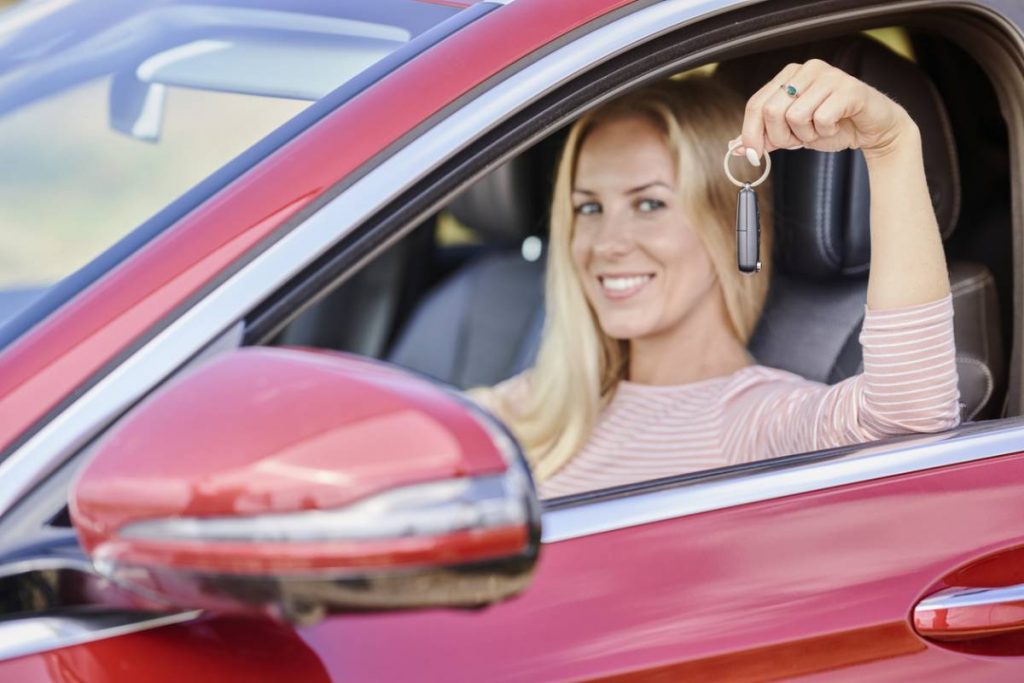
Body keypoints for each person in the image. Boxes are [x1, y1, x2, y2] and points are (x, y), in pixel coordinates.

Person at [471, 60, 960, 499]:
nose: (607, 243)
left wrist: (891, 144)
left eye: (649, 204)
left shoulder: (749, 421)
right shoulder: (543, 405)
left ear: (729, 222)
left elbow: (908, 417)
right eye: (589, 208)